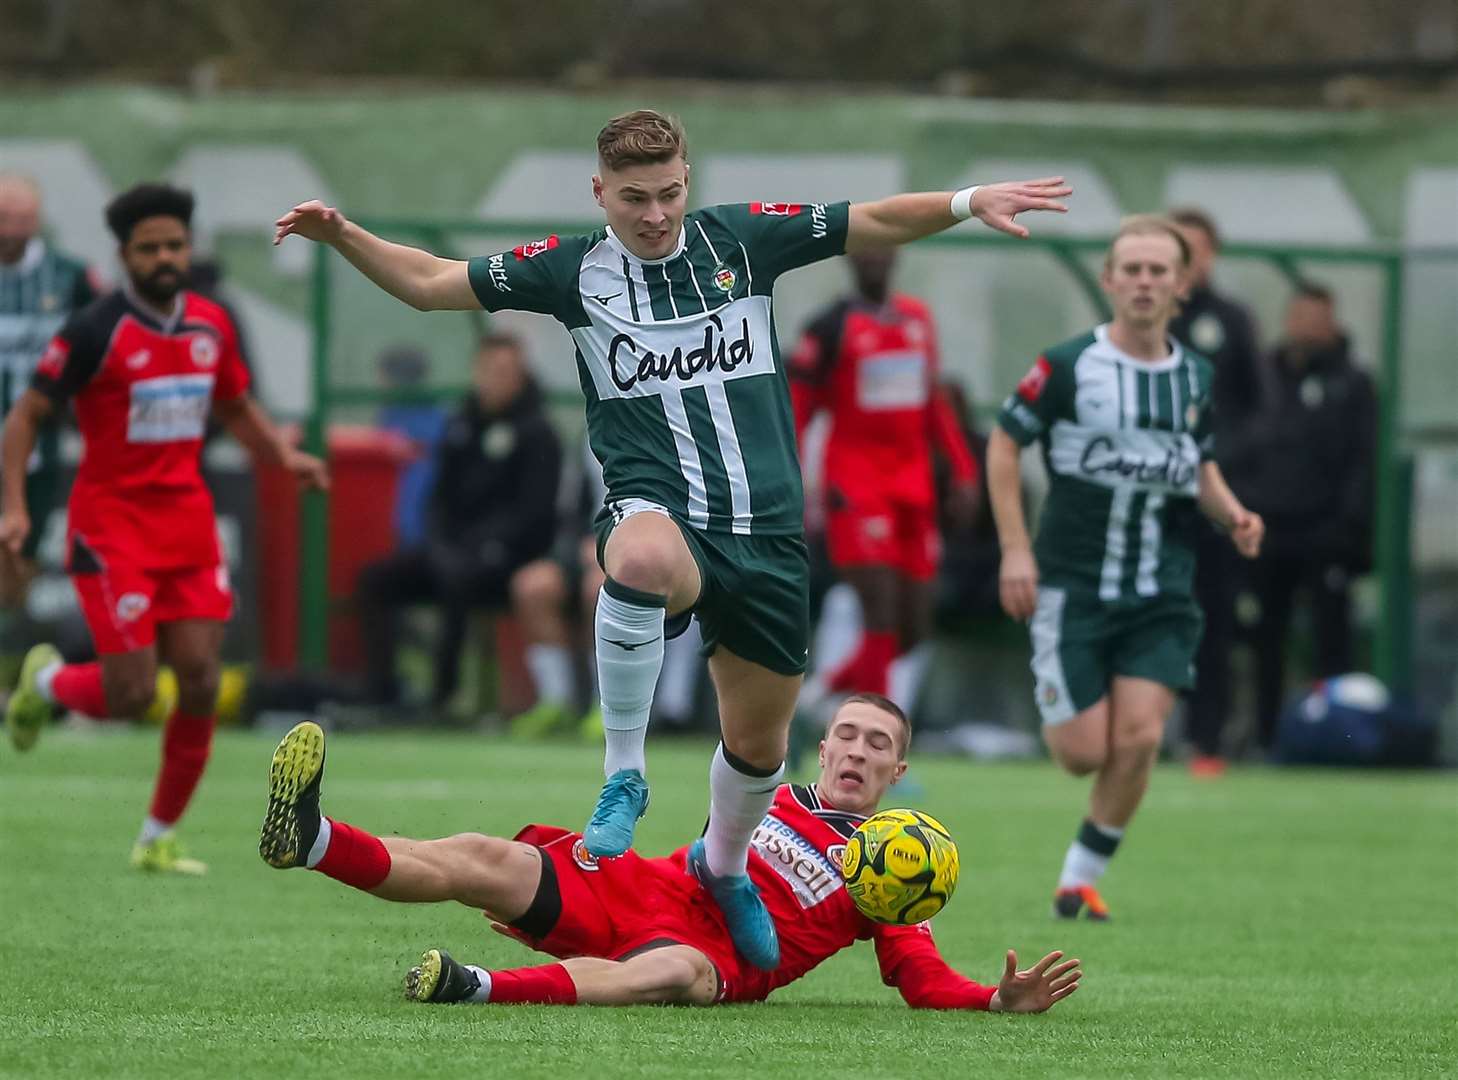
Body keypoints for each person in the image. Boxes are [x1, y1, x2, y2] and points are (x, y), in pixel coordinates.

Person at [273, 107, 1070, 970]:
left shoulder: (738, 242)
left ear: (688, 181)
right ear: (599, 192)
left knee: (761, 746)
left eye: (668, 194)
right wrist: (343, 234)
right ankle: (625, 772)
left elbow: (869, 220)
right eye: (633, 198)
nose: (653, 215)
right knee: (642, 557)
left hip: (764, 535)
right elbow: (432, 281)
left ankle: (724, 867)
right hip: (659, 509)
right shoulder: (571, 269)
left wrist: (968, 199)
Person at [257, 693, 1082, 1012]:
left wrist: (990, 1001)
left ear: (899, 772)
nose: (859, 751)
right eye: (849, 736)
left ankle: (475, 989)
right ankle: (315, 839)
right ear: (822, 748)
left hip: (712, 953)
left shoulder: (896, 868)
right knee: (483, 855)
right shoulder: (771, 791)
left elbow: (921, 976)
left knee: (674, 974)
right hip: (641, 887)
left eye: (880, 745)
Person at [0, 182, 327, 874]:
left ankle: (157, 836)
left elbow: (237, 408)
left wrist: (283, 458)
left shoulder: (212, 322)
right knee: (133, 695)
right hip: (111, 525)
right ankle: (51, 684)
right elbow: (26, 415)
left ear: (189, 247)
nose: (164, 257)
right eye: (149, 249)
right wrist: (14, 508)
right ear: (124, 257)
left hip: (186, 522)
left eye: (174, 245)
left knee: (203, 678)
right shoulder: (94, 329)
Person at [986, 215, 1264, 921]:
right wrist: (1016, 549)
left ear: (1182, 283)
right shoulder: (1069, 365)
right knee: (1082, 753)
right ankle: (1079, 848)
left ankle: (1079, 879)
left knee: (1140, 735)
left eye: (1157, 271)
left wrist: (1233, 513)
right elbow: (1005, 444)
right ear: (1110, 280)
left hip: (1160, 589)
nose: (1143, 282)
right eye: (1131, 270)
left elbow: (1195, 463)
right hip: (1071, 586)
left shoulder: (1194, 376)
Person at [789, 250, 979, 712]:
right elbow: (799, 408)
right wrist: (792, 478)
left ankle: (820, 692)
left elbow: (933, 403)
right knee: (880, 609)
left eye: (883, 251)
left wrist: (964, 469)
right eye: (866, 252)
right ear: (849, 259)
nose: (875, 261)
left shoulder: (916, 318)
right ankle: (878, 741)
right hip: (855, 485)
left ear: (894, 257)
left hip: (913, 485)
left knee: (913, 626)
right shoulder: (828, 328)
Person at [355, 333, 562, 709]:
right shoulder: (459, 425)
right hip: (451, 551)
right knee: (374, 581)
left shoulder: (539, 434)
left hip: (506, 559)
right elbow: (438, 501)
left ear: (520, 376)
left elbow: (534, 515)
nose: (495, 379)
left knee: (458, 579)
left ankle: (443, 697)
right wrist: (440, 545)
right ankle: (383, 693)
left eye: (505, 371)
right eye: (488, 369)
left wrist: (481, 547)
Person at [1243, 282, 1376, 749]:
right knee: (1266, 638)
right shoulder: (1264, 376)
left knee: (1330, 641)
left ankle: (1335, 738)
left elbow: (1363, 462)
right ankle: (1266, 737)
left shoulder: (1353, 384)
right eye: (1298, 316)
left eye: (1316, 317)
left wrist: (1348, 528)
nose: (1306, 326)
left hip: (1326, 534)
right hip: (1269, 530)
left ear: (1333, 322)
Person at [1167, 207, 1265, 777]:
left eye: (1196, 248)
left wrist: (1216, 464)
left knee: (1212, 618)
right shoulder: (1142, 321)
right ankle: (1138, 734)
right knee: (1144, 617)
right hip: (1148, 503)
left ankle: (1206, 740)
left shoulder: (1231, 321)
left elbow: (1259, 409)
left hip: (1212, 499)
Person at [0, 173, 102, 611]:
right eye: (5, 217)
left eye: (23, 218)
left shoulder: (68, 275)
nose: (12, 229)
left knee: (22, 549)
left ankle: (9, 641)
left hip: (37, 444)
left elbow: (99, 342)